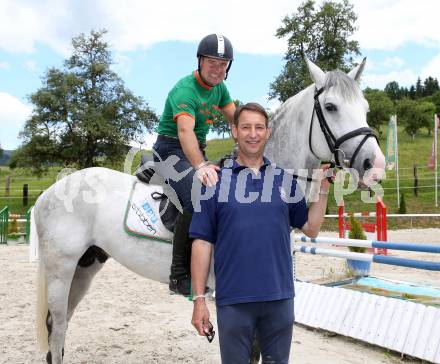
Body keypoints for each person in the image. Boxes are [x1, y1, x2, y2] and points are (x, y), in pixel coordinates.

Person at [189, 102, 330, 363]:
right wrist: (199, 299)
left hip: (279, 299)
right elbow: (202, 242)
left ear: (268, 132)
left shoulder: (284, 180)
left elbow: (311, 228)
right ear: (234, 131)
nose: (252, 134)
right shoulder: (214, 181)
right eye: (246, 127)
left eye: (258, 127)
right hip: (234, 301)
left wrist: (322, 189)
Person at [152, 34, 236, 296]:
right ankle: (178, 275)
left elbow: (236, 120)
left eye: (223, 64)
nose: (217, 69)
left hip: (196, 149)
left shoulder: (220, 89)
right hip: (170, 150)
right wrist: (200, 166)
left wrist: (252, 136)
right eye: (212, 62)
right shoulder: (185, 90)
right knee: (196, 194)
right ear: (200, 61)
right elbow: (185, 133)